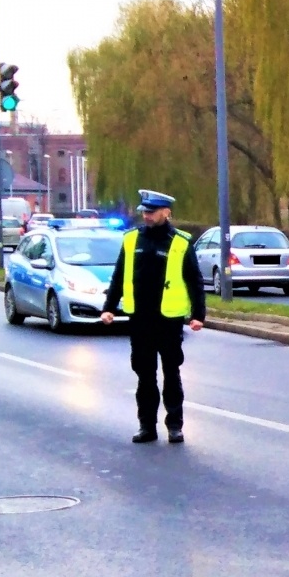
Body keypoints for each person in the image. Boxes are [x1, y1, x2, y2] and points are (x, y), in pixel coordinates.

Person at [101, 190, 205, 443]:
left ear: (166, 212)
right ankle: (147, 425)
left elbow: (194, 280)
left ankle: (175, 425)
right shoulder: (132, 240)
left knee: (171, 374)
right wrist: (109, 307)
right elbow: (118, 276)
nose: (146, 216)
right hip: (140, 319)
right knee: (144, 376)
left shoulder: (180, 242)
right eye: (144, 212)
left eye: (151, 212)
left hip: (168, 320)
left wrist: (198, 315)